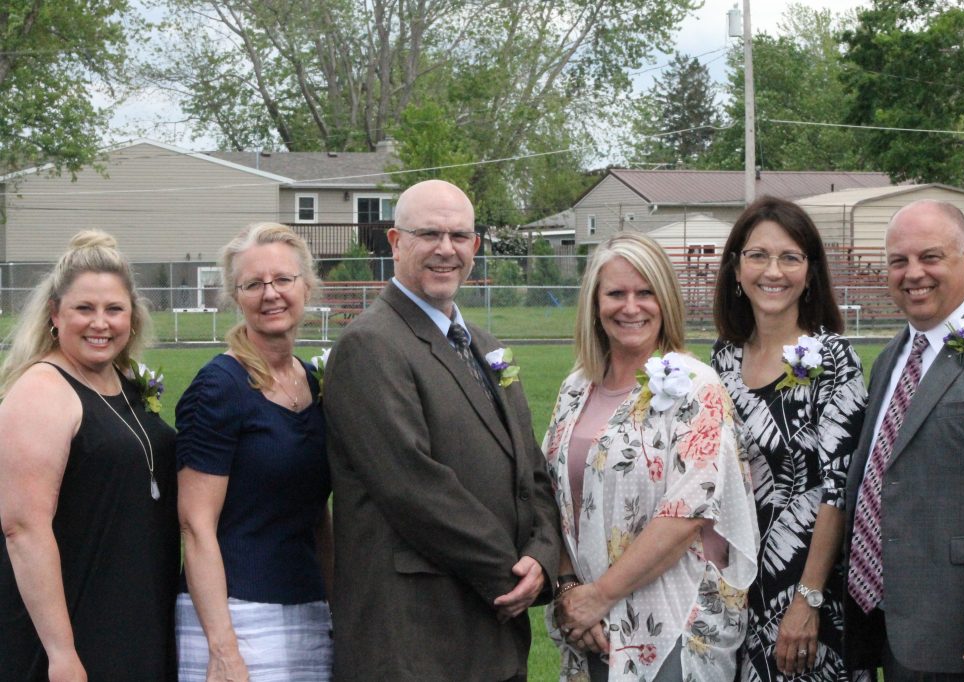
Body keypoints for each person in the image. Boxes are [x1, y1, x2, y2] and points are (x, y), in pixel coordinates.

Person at [322, 179, 561, 681]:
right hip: (416, 640)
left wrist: (541, 556)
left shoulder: (484, 344)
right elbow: (414, 488)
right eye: (429, 233)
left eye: (459, 236)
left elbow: (530, 468)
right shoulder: (370, 346)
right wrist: (510, 577)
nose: (445, 249)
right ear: (395, 242)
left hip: (490, 638)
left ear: (475, 247)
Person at [544, 232, 759, 681]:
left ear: (665, 300)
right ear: (594, 303)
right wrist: (570, 591)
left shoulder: (696, 388)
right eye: (616, 293)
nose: (630, 307)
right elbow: (553, 496)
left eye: (645, 293)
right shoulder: (575, 388)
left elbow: (686, 513)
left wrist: (600, 595)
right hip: (590, 622)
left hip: (670, 622)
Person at [843, 200, 964, 681]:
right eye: (898, 261)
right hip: (897, 628)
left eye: (930, 257)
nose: (912, 273)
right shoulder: (888, 360)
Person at [0, 230, 178, 681]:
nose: (101, 323)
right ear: (55, 315)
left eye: (114, 309)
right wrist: (62, 653)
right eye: (84, 309)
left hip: (135, 617)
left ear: (132, 318)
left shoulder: (124, 382)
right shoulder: (42, 390)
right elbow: (23, 529)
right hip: (75, 627)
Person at [709, 197, 870, 681]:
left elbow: (837, 489)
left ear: (810, 272)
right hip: (735, 594)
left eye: (790, 257)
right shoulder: (721, 363)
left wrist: (808, 598)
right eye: (757, 255)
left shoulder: (835, 362)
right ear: (736, 270)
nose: (772, 271)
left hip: (807, 599)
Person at [175, 222, 332, 681]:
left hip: (309, 607)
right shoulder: (219, 388)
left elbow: (317, 513)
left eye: (283, 279)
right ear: (235, 296)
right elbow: (194, 525)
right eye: (253, 284)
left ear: (306, 285)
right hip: (237, 617)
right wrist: (224, 651)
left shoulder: (314, 383)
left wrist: (335, 608)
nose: (271, 294)